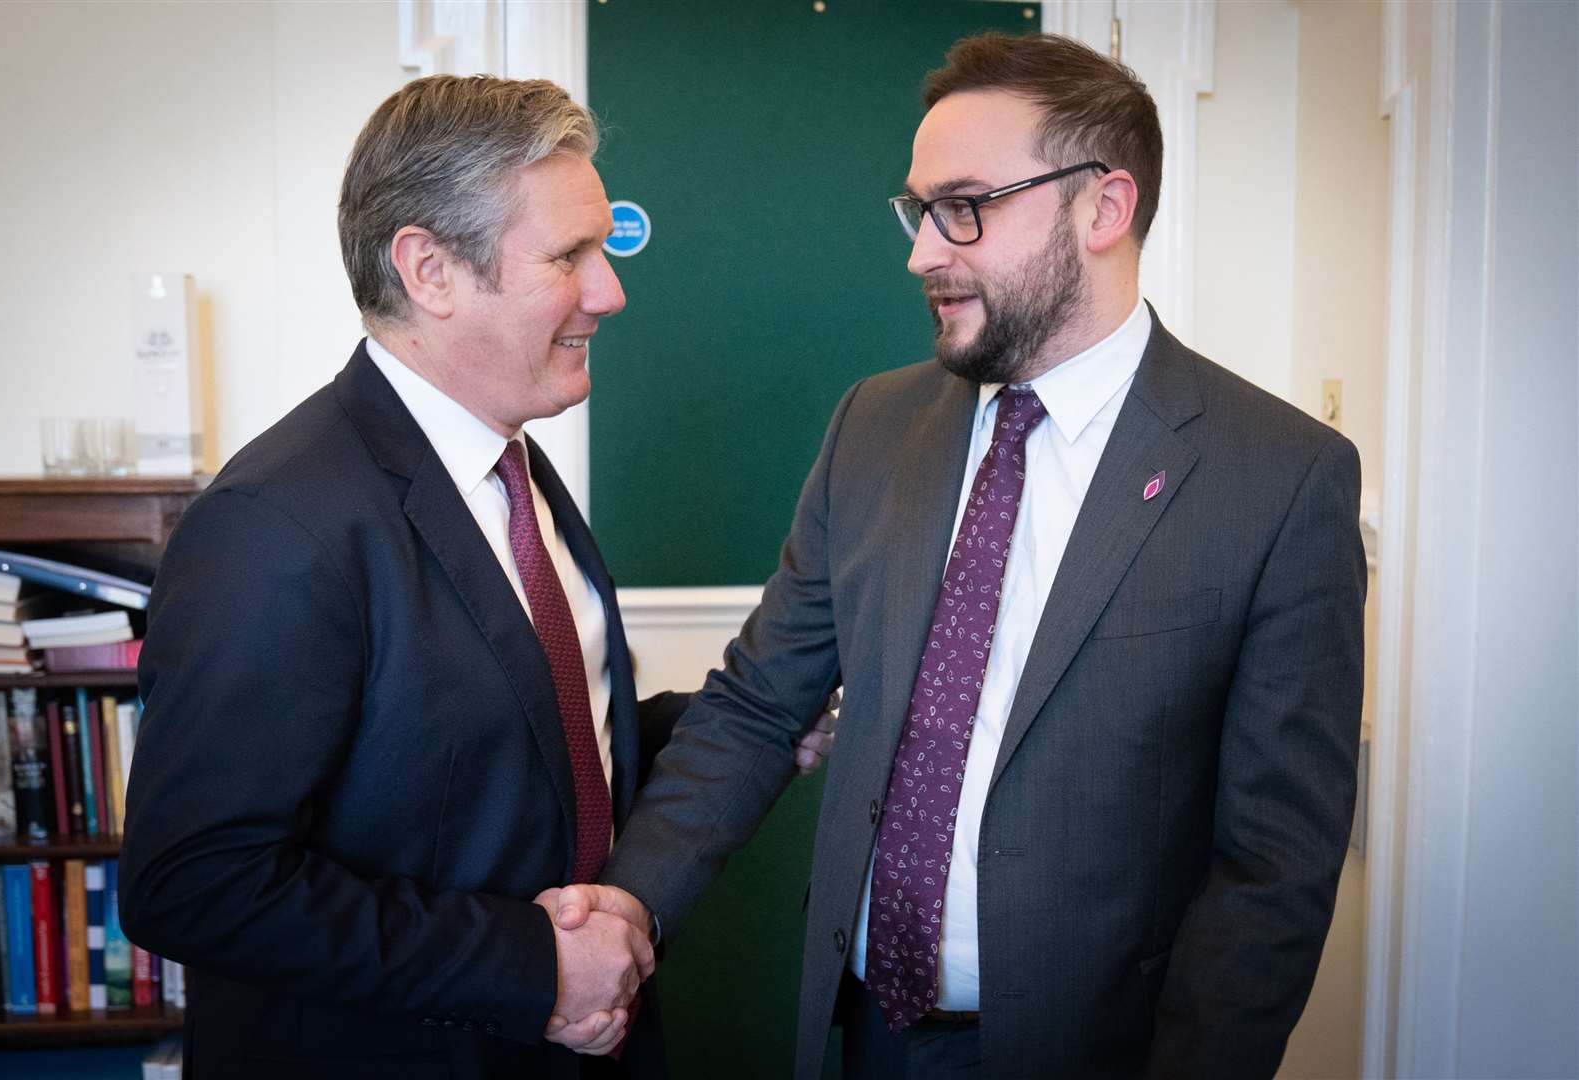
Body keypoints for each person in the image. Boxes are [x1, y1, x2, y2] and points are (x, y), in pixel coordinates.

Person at [561, 31, 1366, 1079]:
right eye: (919, 208)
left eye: (966, 206)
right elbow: (762, 704)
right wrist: (629, 903)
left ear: (1104, 209)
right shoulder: (875, 426)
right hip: (866, 1034)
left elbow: (1275, 865)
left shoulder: (1278, 476)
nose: (923, 251)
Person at [118, 74, 833, 1079]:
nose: (611, 291)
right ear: (429, 269)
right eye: (569, 256)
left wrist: (731, 725)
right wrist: (531, 966)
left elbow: (508, 741)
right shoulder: (277, 525)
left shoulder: (514, 470)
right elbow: (194, 882)